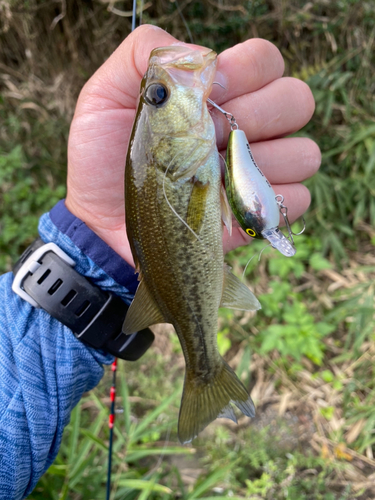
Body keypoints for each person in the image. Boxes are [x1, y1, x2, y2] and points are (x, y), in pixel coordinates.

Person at [0, 25, 320, 499]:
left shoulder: (178, 159)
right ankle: (205, 370)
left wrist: (85, 246)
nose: (165, 88)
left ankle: (205, 371)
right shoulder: (173, 158)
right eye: (159, 95)